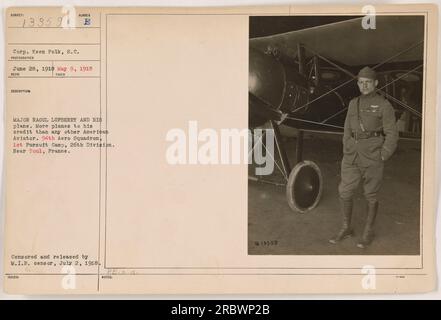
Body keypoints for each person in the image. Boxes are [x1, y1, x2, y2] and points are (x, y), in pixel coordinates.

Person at [329, 66, 399, 248]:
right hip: (351, 156)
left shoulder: (384, 105)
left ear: (375, 84)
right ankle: (346, 227)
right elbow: (347, 129)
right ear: (358, 83)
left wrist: (384, 154)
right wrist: (346, 145)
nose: (364, 86)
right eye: (361, 82)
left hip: (373, 155)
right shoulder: (354, 103)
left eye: (368, 83)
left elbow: (392, 134)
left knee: (371, 194)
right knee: (344, 191)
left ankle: (368, 231)